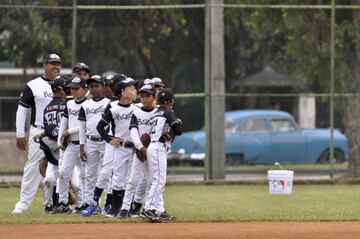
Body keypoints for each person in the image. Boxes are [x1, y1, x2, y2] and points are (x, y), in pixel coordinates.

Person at [12, 53, 62, 214]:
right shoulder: (33, 85)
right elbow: (22, 111)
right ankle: (23, 205)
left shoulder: (64, 84)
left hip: (61, 132)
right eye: (52, 63)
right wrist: (20, 134)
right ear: (44, 65)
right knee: (33, 167)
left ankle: (56, 205)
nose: (56, 66)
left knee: (60, 168)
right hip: (38, 131)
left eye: (58, 63)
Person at [81, 74, 127, 217]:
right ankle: (94, 203)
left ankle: (117, 205)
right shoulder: (111, 104)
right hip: (111, 145)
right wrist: (109, 139)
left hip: (128, 146)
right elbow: (101, 126)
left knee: (122, 178)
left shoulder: (132, 105)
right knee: (105, 173)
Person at [96, 77, 138, 218]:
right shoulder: (114, 109)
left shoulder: (136, 109)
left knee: (130, 179)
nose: (135, 91)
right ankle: (115, 208)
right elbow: (100, 126)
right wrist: (109, 139)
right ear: (123, 92)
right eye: (132, 89)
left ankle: (127, 209)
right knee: (118, 178)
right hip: (119, 148)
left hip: (133, 149)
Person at [141, 88, 182, 222]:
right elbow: (179, 130)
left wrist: (170, 133)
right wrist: (177, 122)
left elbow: (168, 133)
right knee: (159, 180)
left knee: (156, 180)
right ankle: (148, 209)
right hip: (157, 148)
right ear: (171, 101)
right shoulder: (168, 112)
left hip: (154, 147)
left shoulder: (156, 113)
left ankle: (159, 210)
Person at [117, 84, 157, 218]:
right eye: (142, 96)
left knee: (152, 181)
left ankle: (150, 207)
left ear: (154, 97)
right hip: (140, 150)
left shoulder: (158, 113)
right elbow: (134, 132)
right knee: (133, 180)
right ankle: (125, 208)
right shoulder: (136, 112)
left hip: (154, 151)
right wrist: (141, 147)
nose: (144, 98)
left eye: (148, 96)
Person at [78, 75, 110, 212]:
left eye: (97, 86)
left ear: (103, 87)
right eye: (91, 86)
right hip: (90, 141)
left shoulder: (109, 103)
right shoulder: (85, 105)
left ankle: (107, 203)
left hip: (105, 142)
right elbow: (81, 127)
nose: (94, 89)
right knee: (89, 174)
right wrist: (81, 146)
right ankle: (89, 202)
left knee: (106, 173)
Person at [56, 77, 88, 213]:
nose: (73, 91)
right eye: (72, 88)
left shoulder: (89, 105)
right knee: (63, 172)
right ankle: (63, 202)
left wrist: (70, 131)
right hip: (71, 144)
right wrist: (59, 139)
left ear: (85, 89)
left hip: (85, 145)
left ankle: (82, 204)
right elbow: (64, 121)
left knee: (84, 175)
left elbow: (87, 127)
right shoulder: (69, 104)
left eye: (77, 88)